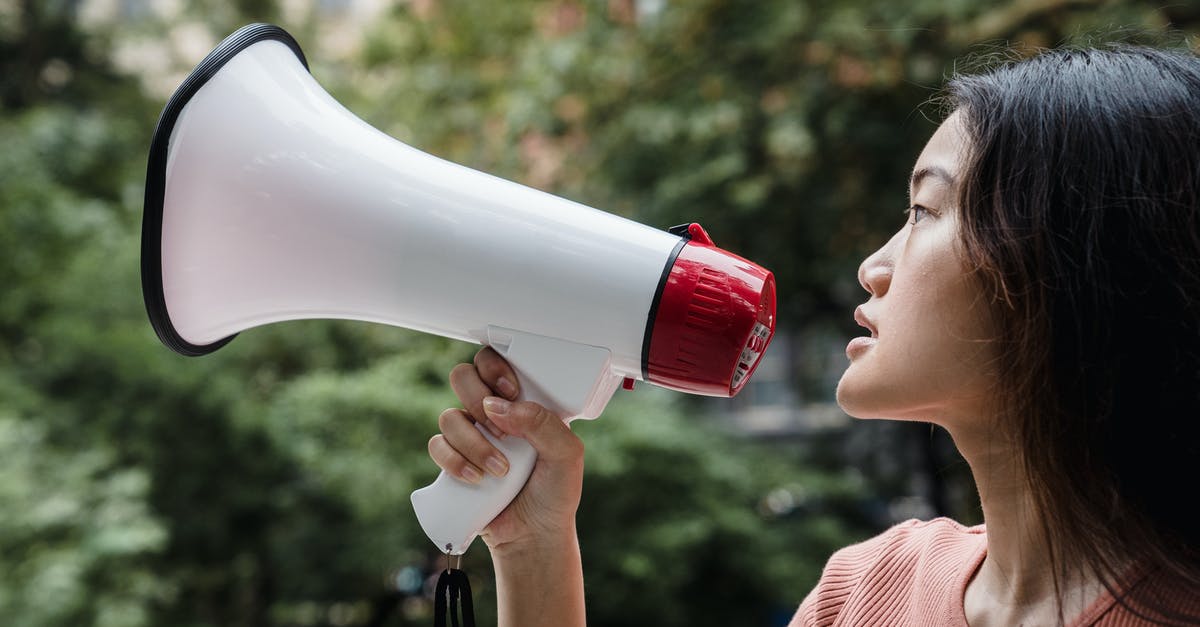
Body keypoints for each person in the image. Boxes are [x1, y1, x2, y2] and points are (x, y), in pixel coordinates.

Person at [426, 44, 1200, 626]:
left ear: (1066, 267)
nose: (874, 266)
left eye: (924, 212)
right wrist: (533, 547)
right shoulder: (866, 589)